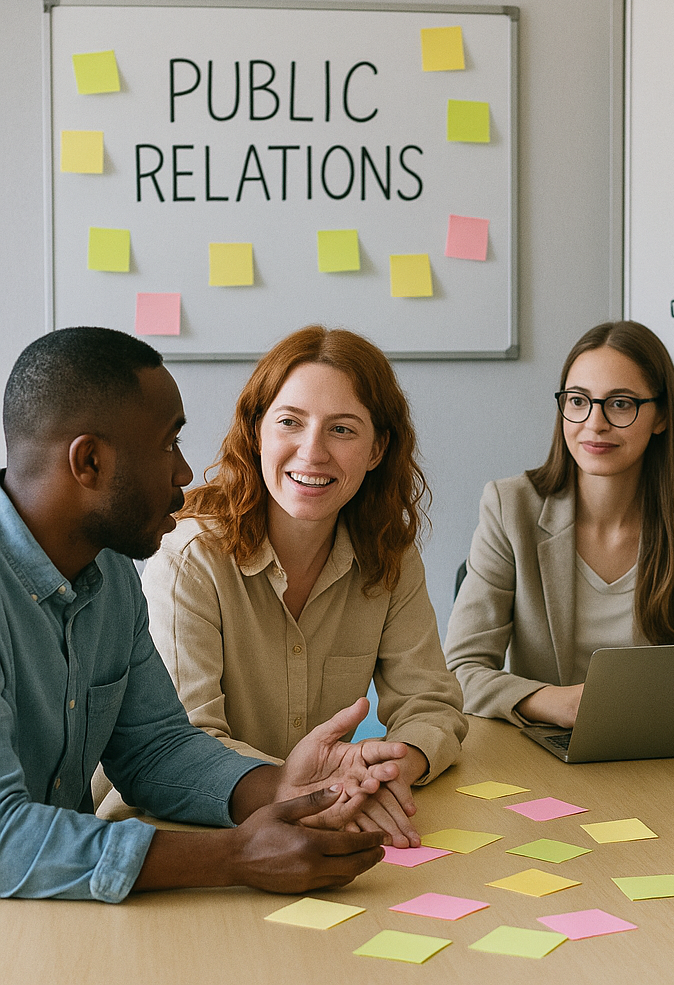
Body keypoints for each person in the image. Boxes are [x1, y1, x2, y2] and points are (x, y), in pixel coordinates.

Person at [0, 326, 405, 902]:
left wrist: (282, 786)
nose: (185, 473)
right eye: (168, 444)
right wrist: (234, 856)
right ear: (88, 461)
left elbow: (155, 747)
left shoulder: (110, 572)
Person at [141, 325, 467, 849]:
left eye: (343, 430)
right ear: (257, 431)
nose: (312, 452)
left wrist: (393, 768)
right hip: (192, 832)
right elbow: (185, 744)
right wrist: (327, 789)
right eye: (290, 422)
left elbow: (430, 704)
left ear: (378, 448)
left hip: (320, 822)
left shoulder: (390, 555)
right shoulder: (189, 557)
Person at [444, 320, 674, 727]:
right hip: (538, 746)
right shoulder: (510, 506)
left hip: (657, 749)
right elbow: (460, 671)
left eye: (621, 403)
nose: (595, 423)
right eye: (578, 401)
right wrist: (553, 702)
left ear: (661, 416)